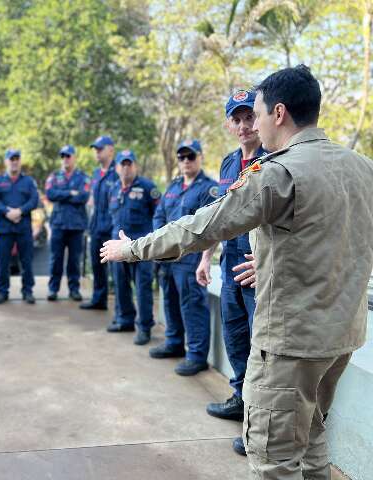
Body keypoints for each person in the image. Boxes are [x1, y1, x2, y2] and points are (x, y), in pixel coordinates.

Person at [101, 65, 373, 480]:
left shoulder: (279, 172)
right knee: (313, 439)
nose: (254, 124)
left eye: (258, 113)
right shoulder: (361, 167)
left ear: (278, 113)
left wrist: (131, 248)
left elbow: (203, 225)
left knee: (274, 458)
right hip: (341, 337)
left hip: (290, 343)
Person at [195, 90, 269, 455]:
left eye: (249, 118)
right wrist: (206, 258)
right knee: (235, 337)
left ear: (262, 117)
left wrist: (269, 260)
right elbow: (217, 217)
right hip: (229, 265)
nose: (243, 126)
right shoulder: (227, 164)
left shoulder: (275, 159)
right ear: (229, 124)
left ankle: (259, 425)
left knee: (262, 349)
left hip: (258, 270)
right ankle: (240, 400)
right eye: (236, 120)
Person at [148, 140, 218, 376]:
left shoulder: (209, 189)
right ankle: (174, 342)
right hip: (167, 256)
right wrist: (160, 243)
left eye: (190, 156)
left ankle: (197, 356)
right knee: (169, 301)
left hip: (190, 257)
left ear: (200, 157)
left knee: (192, 306)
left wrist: (204, 259)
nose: (186, 161)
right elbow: (159, 215)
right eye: (182, 157)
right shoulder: (173, 186)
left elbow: (212, 226)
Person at [106, 149, 159, 345]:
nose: (126, 168)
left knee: (143, 288)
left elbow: (158, 217)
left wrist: (155, 244)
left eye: (129, 164)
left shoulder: (147, 188)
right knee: (120, 285)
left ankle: (144, 327)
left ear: (135, 165)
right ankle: (125, 320)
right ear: (117, 167)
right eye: (123, 164)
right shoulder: (113, 189)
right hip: (117, 248)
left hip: (140, 248)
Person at [0, 149, 39, 304]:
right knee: (2, 262)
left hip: (23, 227)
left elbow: (34, 200)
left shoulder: (29, 182)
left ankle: (28, 291)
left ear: (20, 161)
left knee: (26, 261)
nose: (14, 161)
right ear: (6, 161)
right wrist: (6, 212)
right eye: (11, 159)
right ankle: (2, 292)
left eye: (17, 158)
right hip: (5, 228)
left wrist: (20, 211)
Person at [45, 145, 90, 301]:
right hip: (58, 224)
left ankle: (74, 289)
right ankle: (53, 289)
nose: (65, 159)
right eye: (63, 156)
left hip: (76, 225)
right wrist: (71, 193)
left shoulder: (83, 177)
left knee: (74, 260)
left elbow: (83, 196)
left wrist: (61, 195)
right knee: (55, 259)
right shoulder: (54, 176)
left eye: (68, 156)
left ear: (74, 158)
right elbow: (50, 194)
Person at [80, 135, 119, 311]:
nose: (96, 152)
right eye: (95, 149)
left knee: (117, 270)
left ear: (110, 149)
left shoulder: (119, 171)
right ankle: (99, 299)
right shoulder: (96, 173)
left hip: (112, 227)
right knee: (97, 265)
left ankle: (121, 308)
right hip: (96, 226)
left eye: (100, 149)